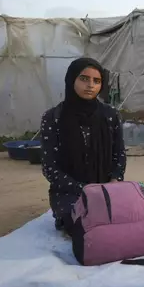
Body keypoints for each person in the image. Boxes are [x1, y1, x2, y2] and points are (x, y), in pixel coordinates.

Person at [40, 57, 126, 233]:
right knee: (86, 224)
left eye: (97, 81)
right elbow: (50, 168)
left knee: (128, 217)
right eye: (84, 79)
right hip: (69, 193)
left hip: (107, 189)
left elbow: (119, 155)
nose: (90, 85)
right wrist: (84, 190)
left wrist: (114, 182)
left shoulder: (110, 115)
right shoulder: (53, 118)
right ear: (71, 79)